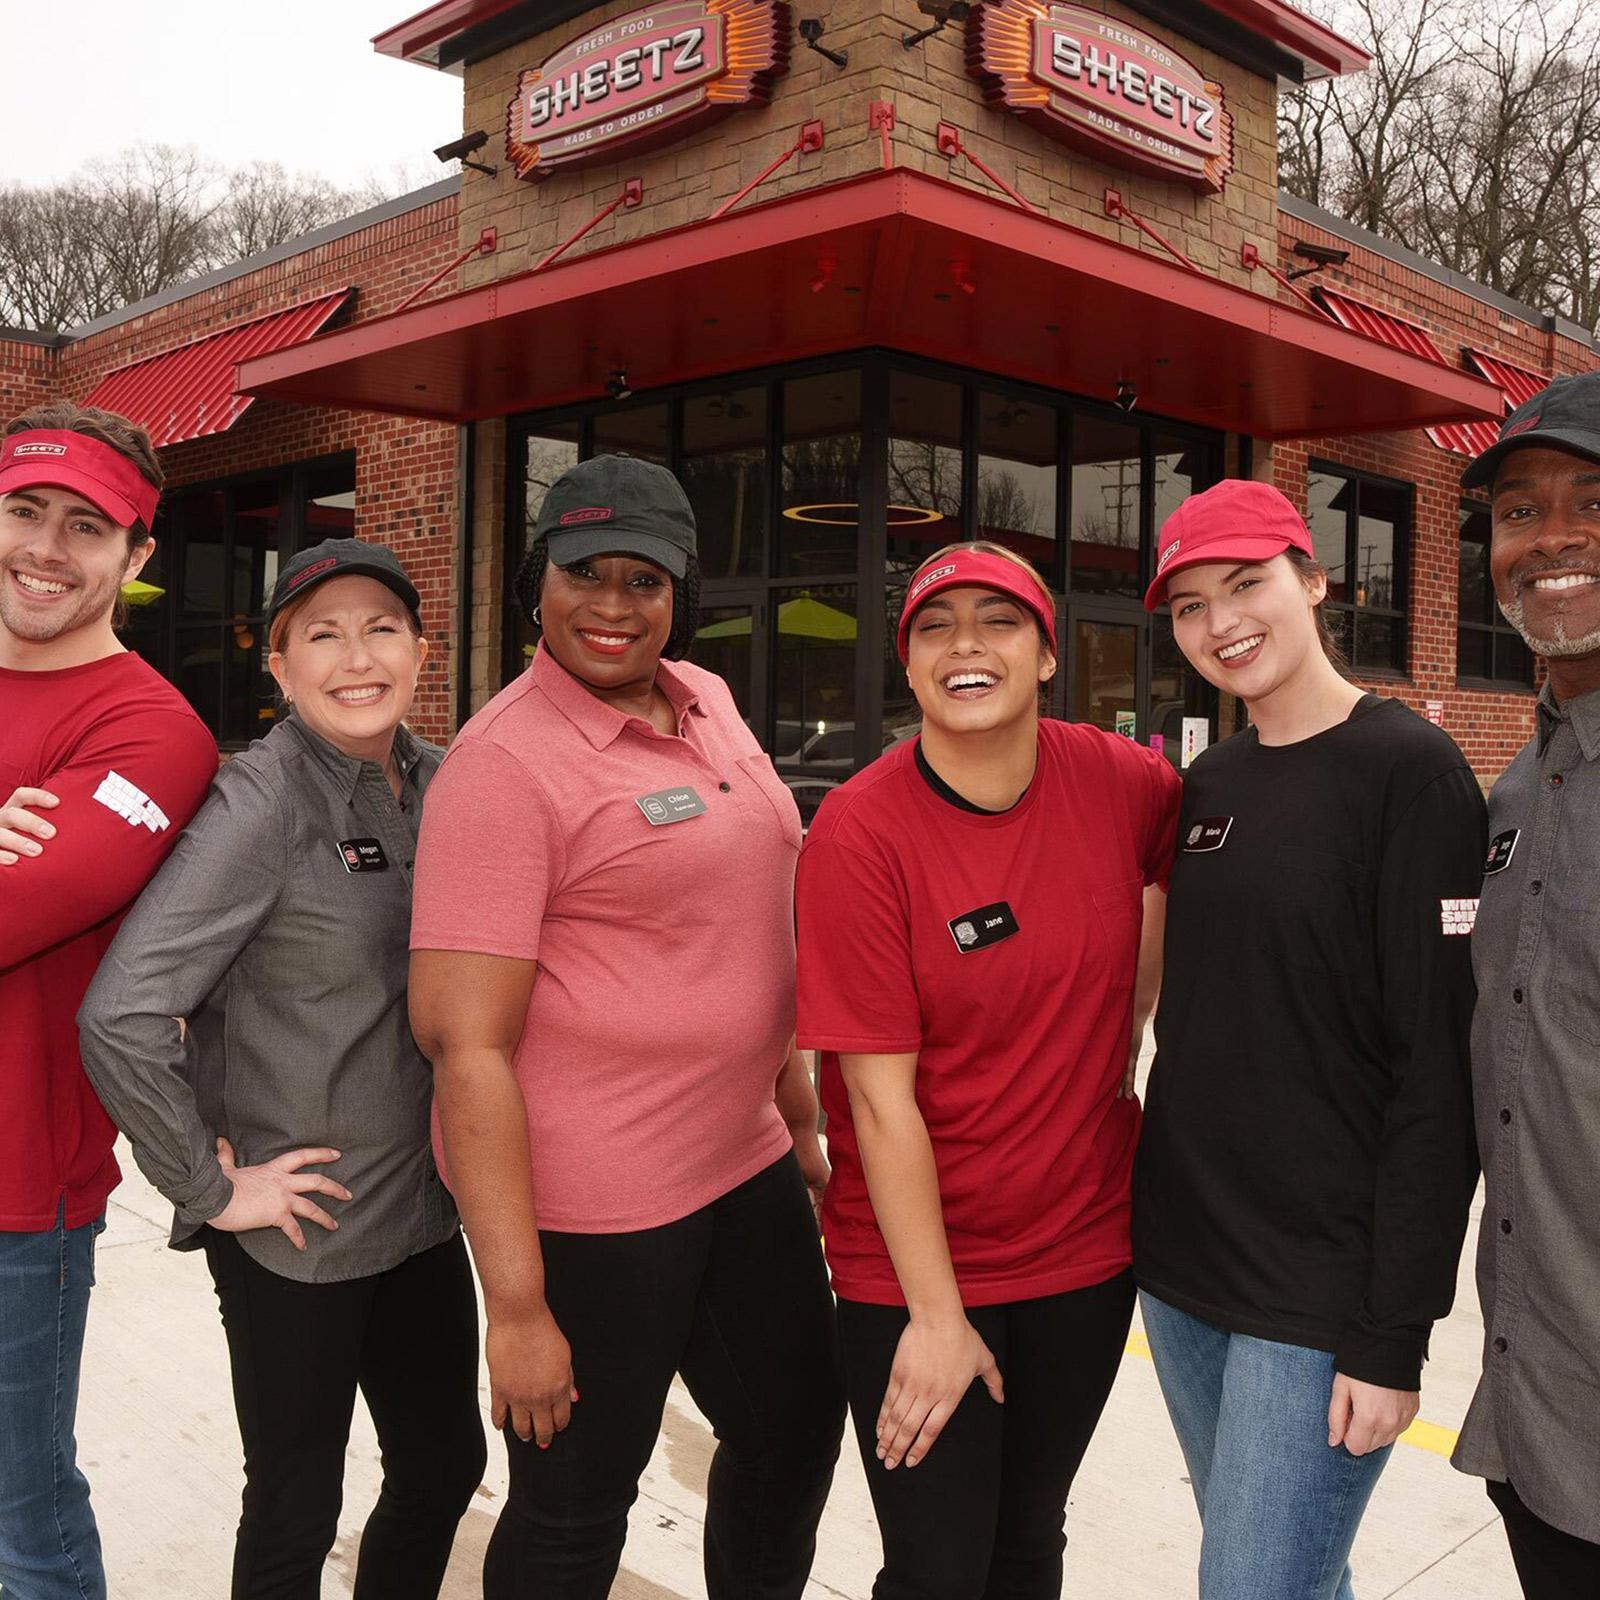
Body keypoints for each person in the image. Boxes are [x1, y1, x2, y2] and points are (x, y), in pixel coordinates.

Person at [408, 454, 844, 1600]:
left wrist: (796, 1119)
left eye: (642, 579)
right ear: (534, 587)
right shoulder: (501, 767)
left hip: (738, 1157)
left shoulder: (709, 702)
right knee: (575, 1504)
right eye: (582, 573)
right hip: (593, 1205)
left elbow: (754, 937)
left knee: (795, 1435)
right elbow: (467, 1047)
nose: (611, 604)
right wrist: (515, 1307)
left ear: (681, 591)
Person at [76, 537, 485, 1600]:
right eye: (323, 635)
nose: (357, 657)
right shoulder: (258, 804)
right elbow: (121, 1014)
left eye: (381, 628)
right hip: (296, 1232)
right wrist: (209, 1188)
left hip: (422, 1212)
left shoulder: (448, 781)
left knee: (446, 1466)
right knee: (297, 1500)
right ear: (281, 665)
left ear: (420, 647)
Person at [794, 540, 1180, 1600]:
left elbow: (1219, 858)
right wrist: (932, 1314)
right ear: (908, 666)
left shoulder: (1120, 780)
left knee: (1026, 1542)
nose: (966, 644)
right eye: (934, 625)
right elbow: (876, 1102)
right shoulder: (860, 832)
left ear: (1048, 654)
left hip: (1083, 1251)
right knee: (935, 1571)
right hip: (911, 1265)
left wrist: (1140, 999)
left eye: (998, 619)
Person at [1133, 479, 1485, 1600]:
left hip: (1318, 1287)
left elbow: (1439, 1072)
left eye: (1244, 583)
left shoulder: (1410, 772)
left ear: (1315, 577)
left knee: (1251, 1586)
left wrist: (1394, 1334)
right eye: (1189, 605)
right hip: (1182, 1272)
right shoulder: (1203, 788)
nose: (1220, 621)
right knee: (1284, 1578)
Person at [0, 400, 217, 1600]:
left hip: (14, 1197)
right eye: (25, 510)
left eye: (86, 526)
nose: (44, 547)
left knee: (22, 1523)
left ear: (136, 559)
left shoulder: (148, 732)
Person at [1449, 373, 1600, 1595]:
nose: (1550, 537)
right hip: (1539, 1413)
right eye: (1518, 510)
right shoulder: (1512, 794)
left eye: (1592, 501)